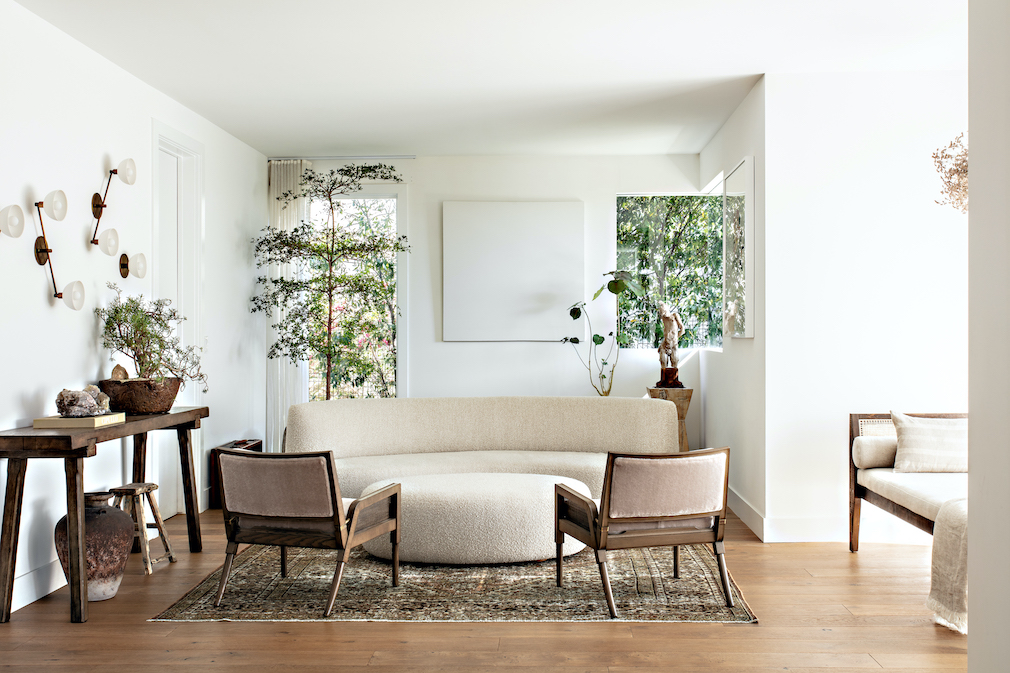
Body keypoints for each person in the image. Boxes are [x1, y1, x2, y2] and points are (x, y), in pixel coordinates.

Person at [658, 303, 684, 369]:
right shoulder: (663, 318)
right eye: (661, 311)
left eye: (663, 310)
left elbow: (682, 329)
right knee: (663, 361)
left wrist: (675, 338)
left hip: (674, 343)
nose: (663, 313)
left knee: (674, 362)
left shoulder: (675, 316)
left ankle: (674, 378)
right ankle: (664, 378)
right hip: (665, 343)